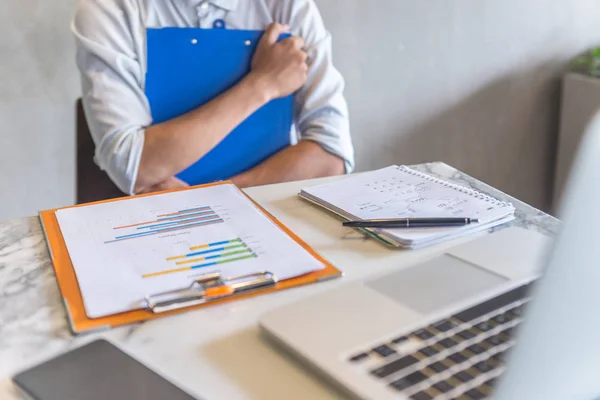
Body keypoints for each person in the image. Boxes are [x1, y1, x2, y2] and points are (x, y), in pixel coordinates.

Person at [72, 0, 354, 195]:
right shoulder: (112, 9)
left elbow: (331, 157)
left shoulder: (288, 7)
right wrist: (261, 85)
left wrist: (210, 198)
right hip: (156, 224)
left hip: (271, 215)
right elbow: (135, 166)